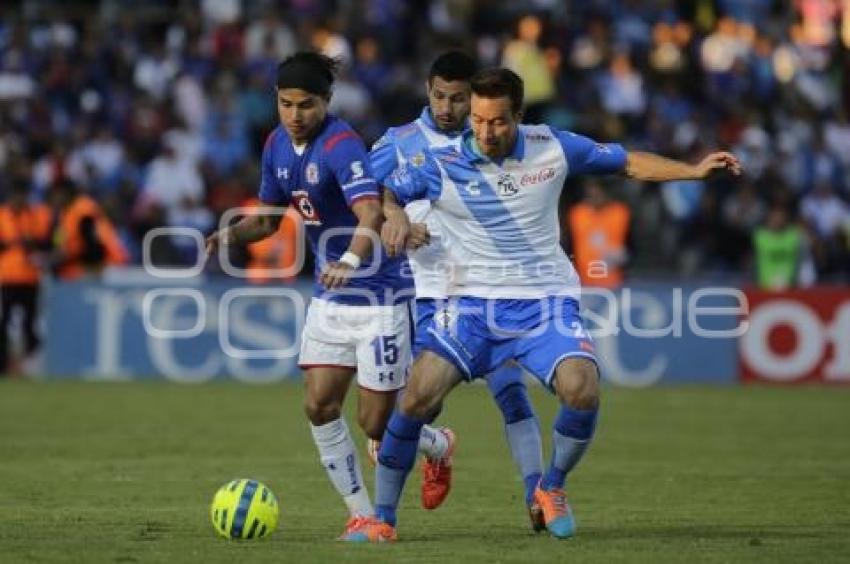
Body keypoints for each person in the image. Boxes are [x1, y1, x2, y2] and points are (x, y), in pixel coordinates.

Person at [342, 67, 741, 542]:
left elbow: (627, 162)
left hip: (544, 304)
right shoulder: (441, 161)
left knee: (583, 389)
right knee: (415, 399)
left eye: (499, 122)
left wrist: (692, 170)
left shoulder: (553, 146)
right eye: (480, 121)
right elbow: (387, 193)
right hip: (470, 308)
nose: (487, 132)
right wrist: (394, 219)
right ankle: (383, 519)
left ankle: (550, 487)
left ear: (520, 116)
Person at [203, 52, 455, 539]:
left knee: (376, 426)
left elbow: (370, 216)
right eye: (286, 104)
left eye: (306, 105)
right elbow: (267, 218)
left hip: (380, 296)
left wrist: (351, 261)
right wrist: (228, 237)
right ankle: (362, 515)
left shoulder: (342, 146)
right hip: (330, 299)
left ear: (327, 102)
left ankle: (438, 445)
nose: (295, 116)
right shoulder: (276, 144)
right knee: (318, 406)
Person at [370, 51, 545, 526]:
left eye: (459, 98)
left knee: (510, 389)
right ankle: (436, 448)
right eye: (439, 96)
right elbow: (368, 201)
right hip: (425, 291)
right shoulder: (399, 142)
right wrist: (397, 219)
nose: (447, 108)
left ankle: (538, 496)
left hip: (489, 288)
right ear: (427, 91)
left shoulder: (494, 139)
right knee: (399, 414)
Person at [0, 181, 51, 374]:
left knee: (30, 323)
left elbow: (45, 242)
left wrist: (32, 244)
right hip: (7, 278)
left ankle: (30, 364)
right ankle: (3, 364)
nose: (19, 201)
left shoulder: (34, 216)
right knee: (4, 323)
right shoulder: (2, 215)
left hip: (30, 278)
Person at [566, 179, 631, 288]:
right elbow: (569, 245)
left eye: (598, 193)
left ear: (606, 193)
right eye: (590, 193)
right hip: (582, 282)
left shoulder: (620, 213)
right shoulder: (577, 214)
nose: (594, 196)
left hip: (614, 282)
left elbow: (630, 247)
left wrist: (622, 256)